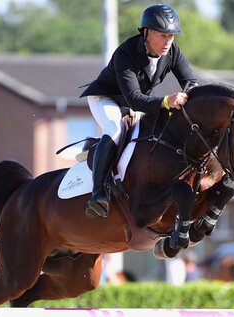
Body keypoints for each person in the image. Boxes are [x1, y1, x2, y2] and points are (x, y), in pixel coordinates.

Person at [80, 3, 198, 219]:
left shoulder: (172, 52)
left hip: (134, 102)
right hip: (106, 98)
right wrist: (166, 101)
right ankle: (98, 193)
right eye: (163, 35)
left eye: (171, 36)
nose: (168, 41)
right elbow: (134, 99)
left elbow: (190, 82)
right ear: (147, 32)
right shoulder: (125, 53)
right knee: (115, 128)